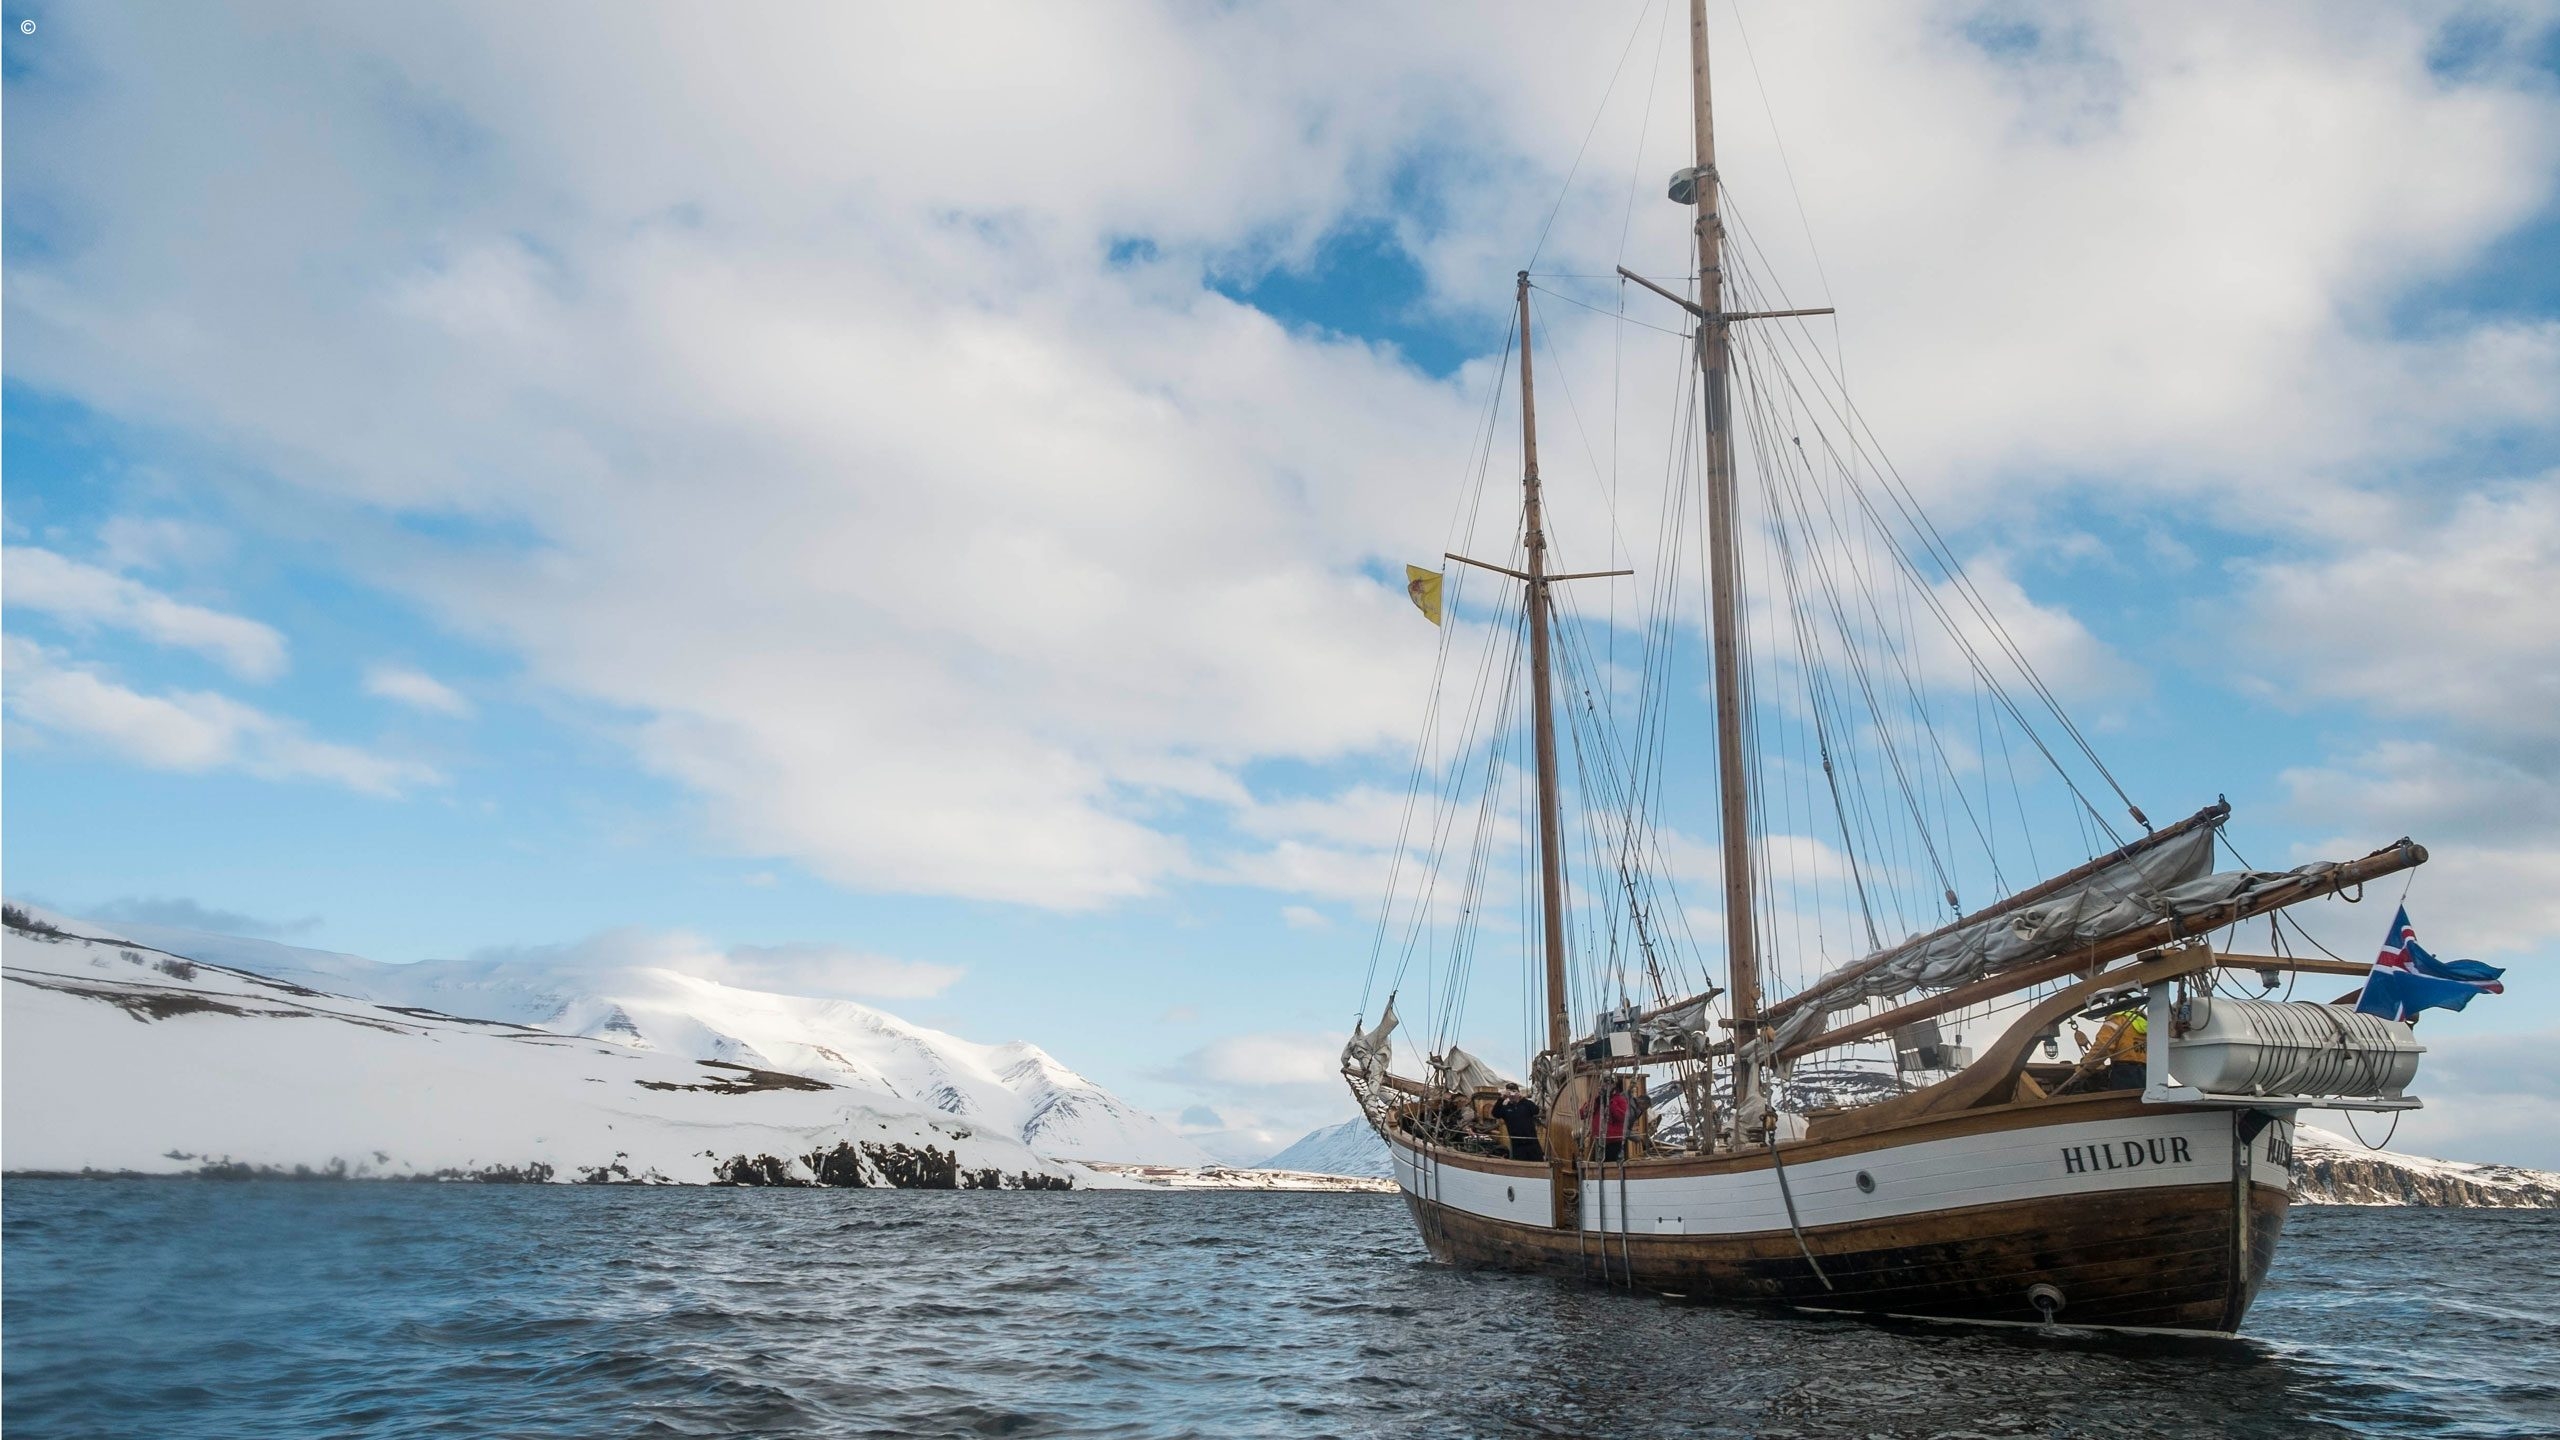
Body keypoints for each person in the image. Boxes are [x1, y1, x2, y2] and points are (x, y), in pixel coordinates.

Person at [1489, 1082, 1543, 1162]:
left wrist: (1523, 1099)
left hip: (1532, 1142)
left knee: (1538, 1163)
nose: (1512, 1095)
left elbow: (1536, 1110)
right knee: (1520, 1164)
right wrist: (1501, 1098)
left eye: (1514, 1091)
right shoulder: (1505, 1108)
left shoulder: (1526, 1104)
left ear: (1518, 1092)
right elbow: (1495, 1114)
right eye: (1509, 1092)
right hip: (1517, 1144)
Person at [1600, 1076, 1631, 1163]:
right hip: (1599, 1141)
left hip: (1615, 1141)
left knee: (1612, 1164)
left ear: (1614, 1085)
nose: (1607, 1085)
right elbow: (1583, 1113)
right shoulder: (1597, 1100)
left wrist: (1611, 1103)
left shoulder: (1620, 1100)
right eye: (1604, 1083)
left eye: (1609, 1083)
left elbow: (1622, 1117)